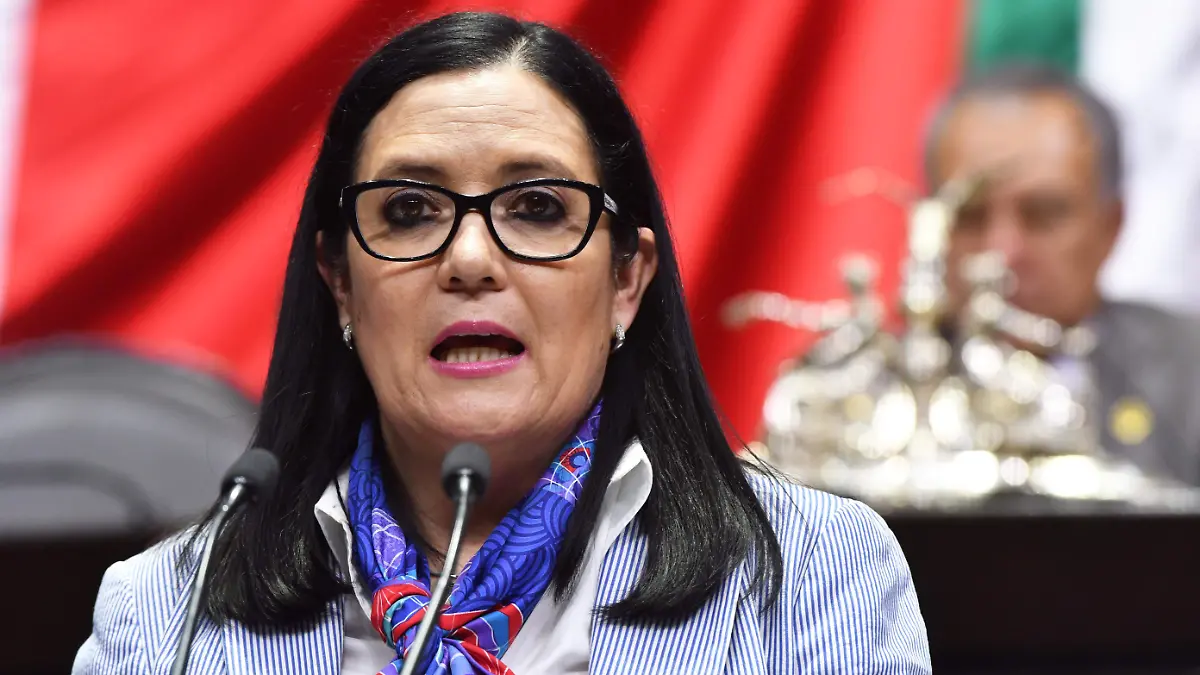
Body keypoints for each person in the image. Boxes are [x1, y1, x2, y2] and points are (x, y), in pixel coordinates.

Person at [74, 12, 929, 674]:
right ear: (339, 280)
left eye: (537, 208)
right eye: (410, 210)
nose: (471, 260)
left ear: (626, 280)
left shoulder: (811, 574)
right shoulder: (164, 616)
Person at [926, 63, 1200, 485]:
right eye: (970, 215)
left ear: (1110, 227)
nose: (1002, 253)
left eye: (1042, 215)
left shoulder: (1189, 374)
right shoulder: (862, 391)